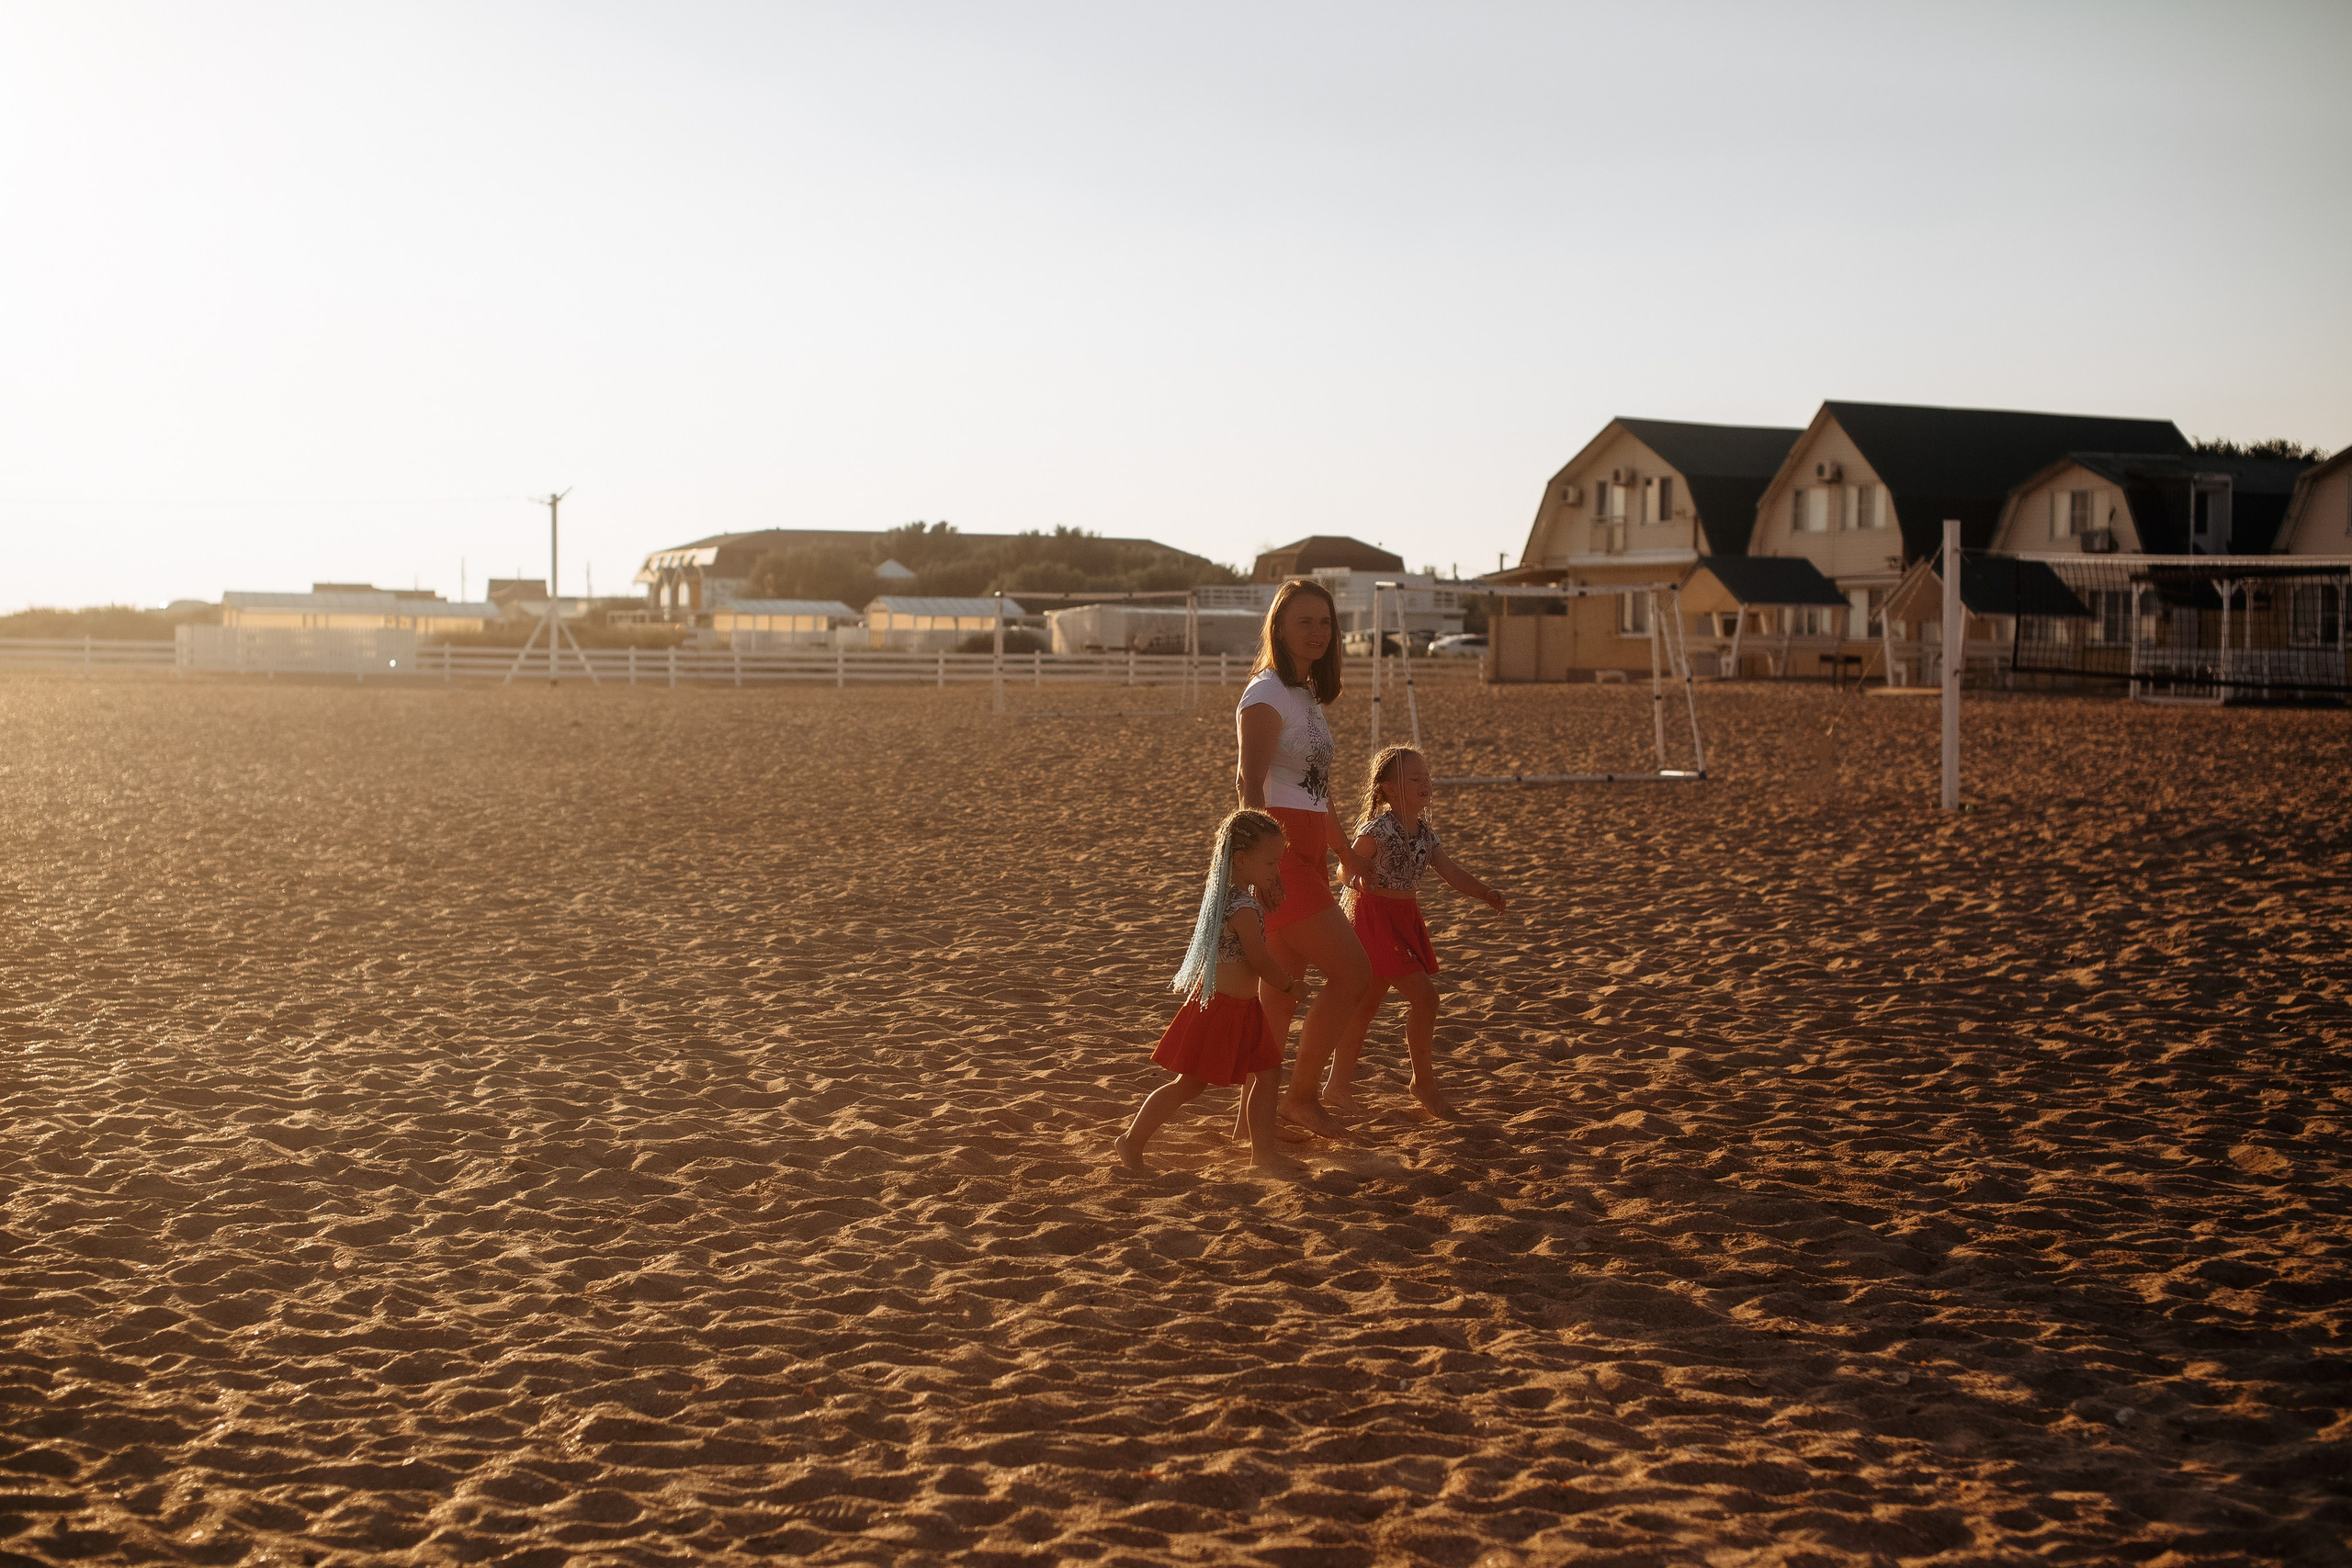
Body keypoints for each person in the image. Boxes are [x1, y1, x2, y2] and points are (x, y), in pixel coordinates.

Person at [1234, 578, 1371, 1139]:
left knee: (1279, 997)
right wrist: (1262, 865)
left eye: (1325, 623)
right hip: (1281, 850)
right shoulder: (1265, 692)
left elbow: (1319, 784)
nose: (1317, 633)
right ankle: (1301, 1097)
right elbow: (1249, 780)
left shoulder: (1306, 694)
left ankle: (1251, 1121)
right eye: (1303, 623)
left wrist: (1342, 849)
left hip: (1312, 847)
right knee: (1353, 974)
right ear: (1279, 628)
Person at [1325, 745, 1506, 1120]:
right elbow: (1344, 868)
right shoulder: (1379, 828)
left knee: (1366, 1008)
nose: (1426, 783)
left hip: (1404, 917)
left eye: (1427, 777)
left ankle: (1337, 1086)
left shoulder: (1426, 832)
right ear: (1390, 789)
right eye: (1415, 778)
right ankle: (1421, 1083)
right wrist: (1355, 879)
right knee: (1425, 998)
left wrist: (1485, 892)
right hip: (1373, 918)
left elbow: (1451, 871)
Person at [1114, 809, 1301, 1172]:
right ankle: (1132, 1140)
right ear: (1241, 860)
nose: (1275, 870)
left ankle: (1262, 1153)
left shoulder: (1228, 897)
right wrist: (1289, 985)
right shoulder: (1242, 907)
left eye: (1278, 862)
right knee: (1189, 1085)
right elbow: (1260, 961)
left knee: (1268, 1072)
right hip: (1223, 1009)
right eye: (1269, 862)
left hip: (1240, 1008)